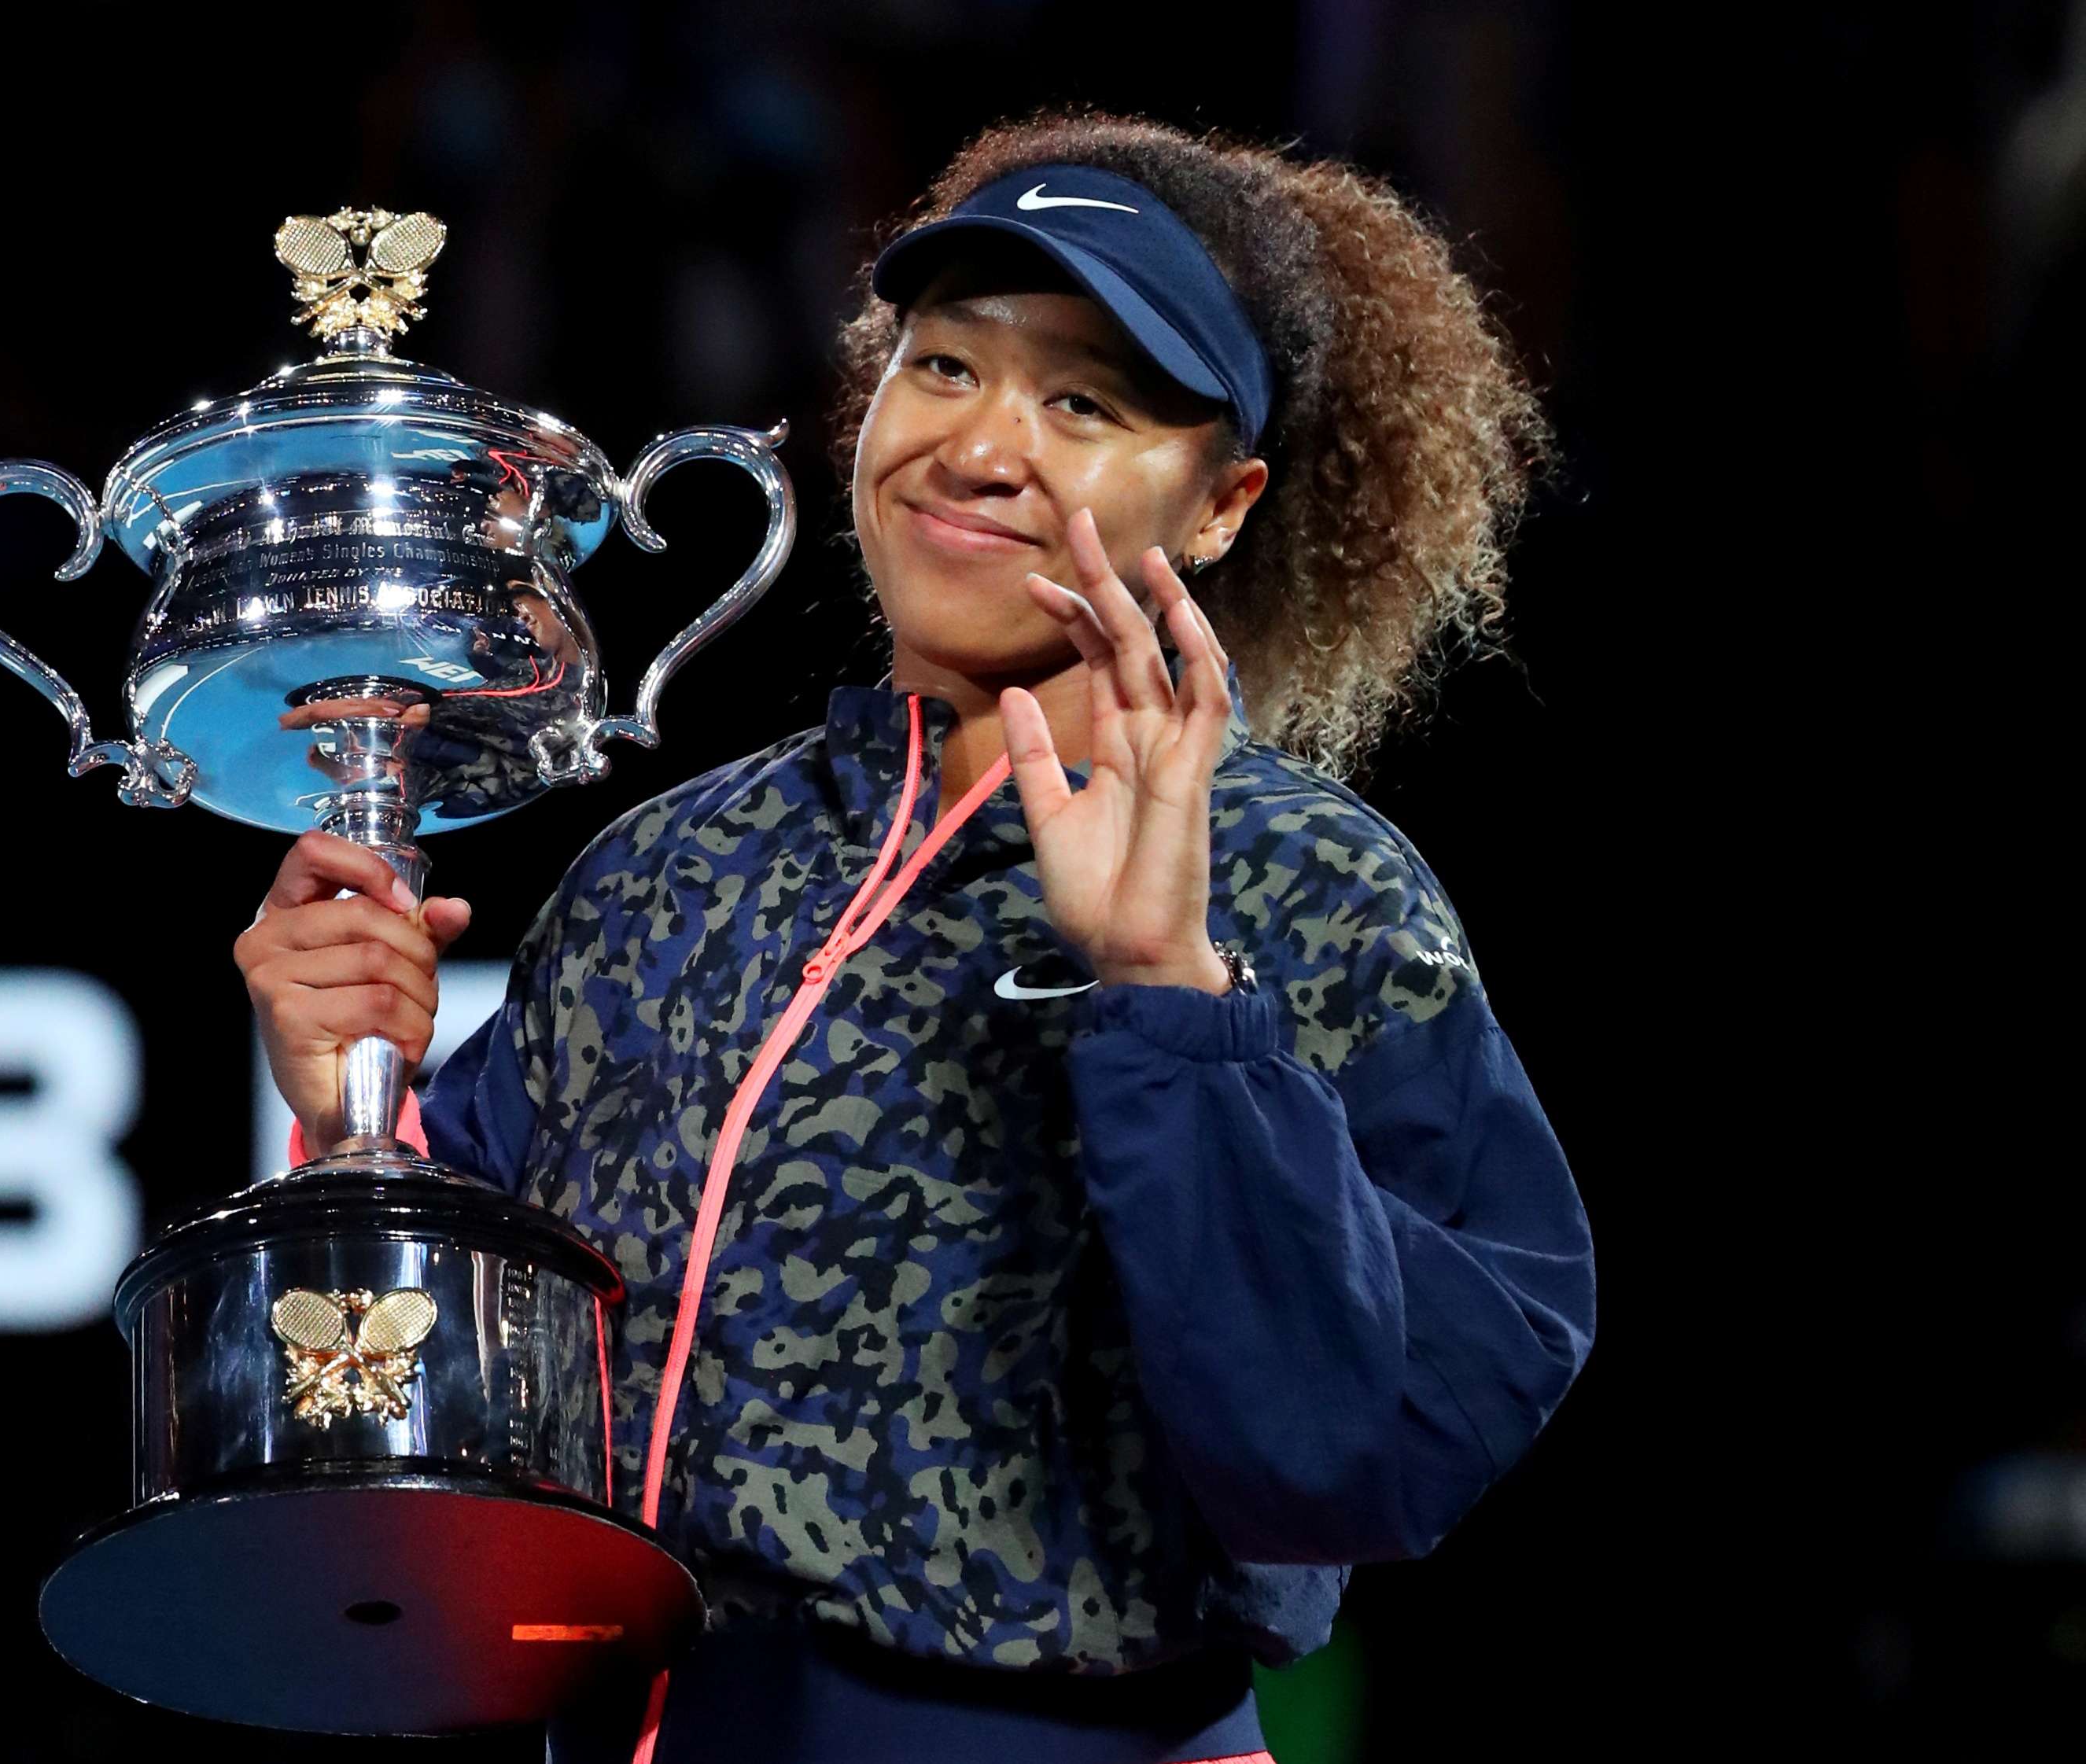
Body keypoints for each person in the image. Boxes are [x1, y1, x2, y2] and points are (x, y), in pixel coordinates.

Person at [237, 109, 1596, 1764]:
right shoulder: (665, 869)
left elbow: (1365, 1454)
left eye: (1084, 404)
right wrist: (353, 1110)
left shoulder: (1315, 891)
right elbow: (462, 1408)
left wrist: (1173, 1000)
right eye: (945, 366)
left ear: (1223, 504)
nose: (982, 448)